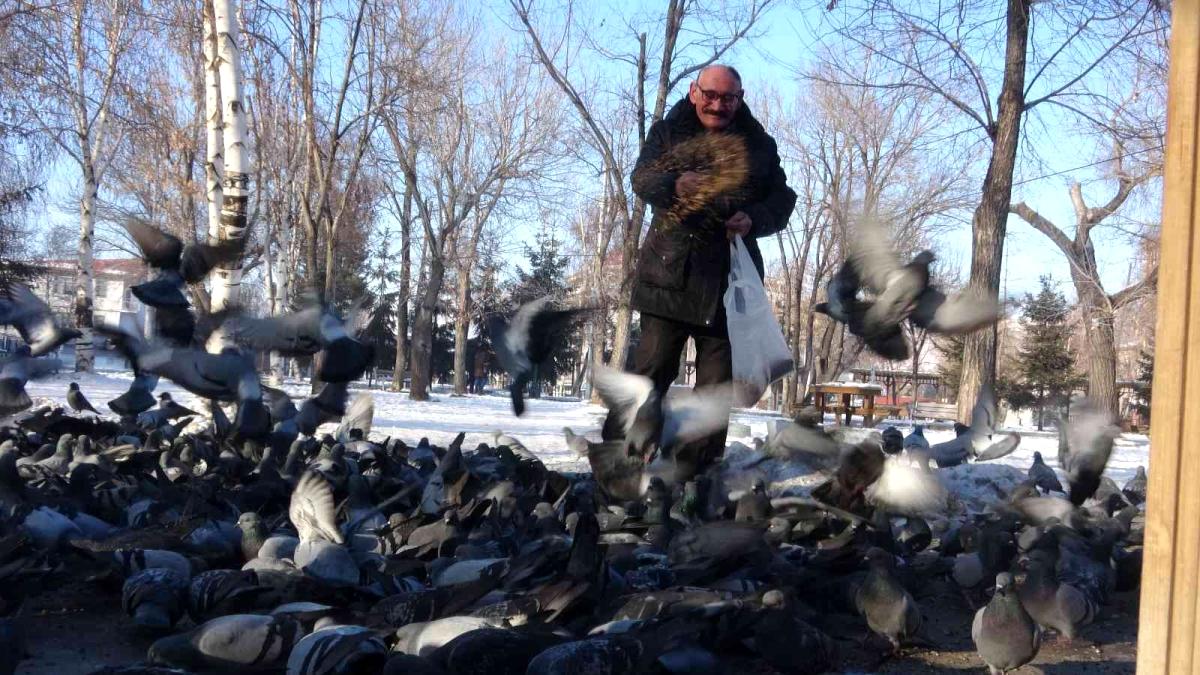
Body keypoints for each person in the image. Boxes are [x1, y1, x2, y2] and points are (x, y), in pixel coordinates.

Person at [619, 64, 796, 473]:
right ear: (694, 92)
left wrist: (754, 218)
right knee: (647, 378)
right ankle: (623, 468)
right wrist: (674, 185)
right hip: (668, 279)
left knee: (714, 394)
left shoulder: (759, 145)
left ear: (740, 98)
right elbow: (641, 179)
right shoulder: (667, 133)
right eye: (710, 95)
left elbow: (782, 200)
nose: (718, 105)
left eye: (728, 98)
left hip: (728, 288)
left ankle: (696, 479)